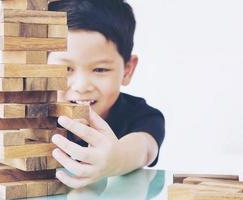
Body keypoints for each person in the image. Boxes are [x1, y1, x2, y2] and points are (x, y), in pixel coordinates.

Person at [47, 0, 165, 189]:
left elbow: (144, 148)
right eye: (66, 68)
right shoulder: (29, 116)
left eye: (100, 69)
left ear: (127, 71)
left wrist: (117, 159)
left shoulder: (142, 116)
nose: (82, 86)